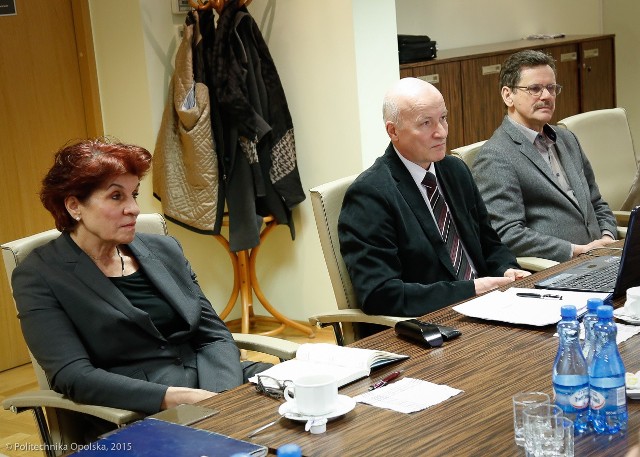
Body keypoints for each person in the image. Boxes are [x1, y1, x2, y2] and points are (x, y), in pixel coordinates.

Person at [12, 138, 271, 418]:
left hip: (218, 379)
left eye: (133, 194)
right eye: (116, 196)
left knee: (312, 393)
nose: (133, 208)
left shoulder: (163, 249)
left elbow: (213, 334)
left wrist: (221, 398)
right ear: (75, 206)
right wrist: (176, 398)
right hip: (140, 407)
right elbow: (73, 375)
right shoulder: (40, 274)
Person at [338, 77, 530, 318]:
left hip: (489, 306)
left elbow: (490, 244)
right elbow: (380, 294)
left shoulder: (454, 170)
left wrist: (507, 270)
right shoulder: (370, 194)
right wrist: (471, 289)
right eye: (426, 123)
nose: (441, 132)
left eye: (443, 118)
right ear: (393, 131)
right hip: (433, 323)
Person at [472, 50, 617, 263]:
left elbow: (596, 203)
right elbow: (506, 233)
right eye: (535, 89)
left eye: (551, 88)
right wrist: (575, 250)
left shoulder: (567, 138)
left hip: (602, 257)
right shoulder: (495, 157)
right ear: (507, 95)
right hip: (557, 268)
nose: (547, 96)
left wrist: (607, 237)